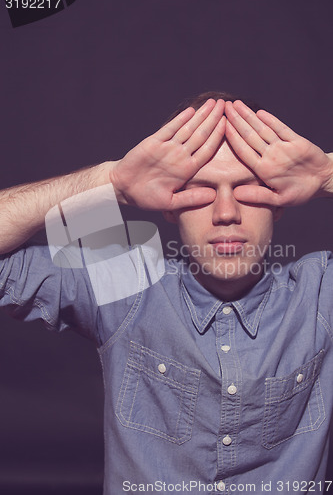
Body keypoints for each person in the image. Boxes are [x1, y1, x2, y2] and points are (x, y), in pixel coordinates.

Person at [1, 91, 333, 494]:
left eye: (246, 188)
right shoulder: (126, 283)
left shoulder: (319, 294)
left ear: (279, 201)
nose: (226, 212)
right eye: (203, 190)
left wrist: (328, 175)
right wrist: (110, 182)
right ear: (170, 203)